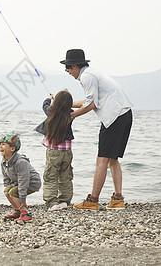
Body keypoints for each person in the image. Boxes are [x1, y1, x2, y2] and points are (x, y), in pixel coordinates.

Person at [60, 49, 133, 210]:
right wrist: (66, 104)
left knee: (102, 160)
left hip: (114, 117)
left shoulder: (87, 77)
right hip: (124, 113)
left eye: (68, 69)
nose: (68, 72)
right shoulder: (91, 74)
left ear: (74, 66)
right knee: (112, 159)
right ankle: (118, 199)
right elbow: (89, 100)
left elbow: (92, 105)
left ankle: (93, 201)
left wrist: (70, 117)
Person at [35, 90, 75, 211]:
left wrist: (49, 98)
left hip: (53, 151)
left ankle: (52, 203)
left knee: (50, 176)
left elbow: (44, 105)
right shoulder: (71, 114)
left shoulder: (51, 112)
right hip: (67, 151)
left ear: (56, 103)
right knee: (66, 176)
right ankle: (65, 201)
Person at [0, 134, 41, 223]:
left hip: (32, 182)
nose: (0, 147)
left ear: (12, 149)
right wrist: (8, 187)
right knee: (7, 191)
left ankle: (25, 213)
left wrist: (22, 200)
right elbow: (6, 178)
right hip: (18, 183)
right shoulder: (4, 161)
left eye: (3, 144)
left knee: (13, 192)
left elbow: (23, 182)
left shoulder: (21, 162)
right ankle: (18, 211)